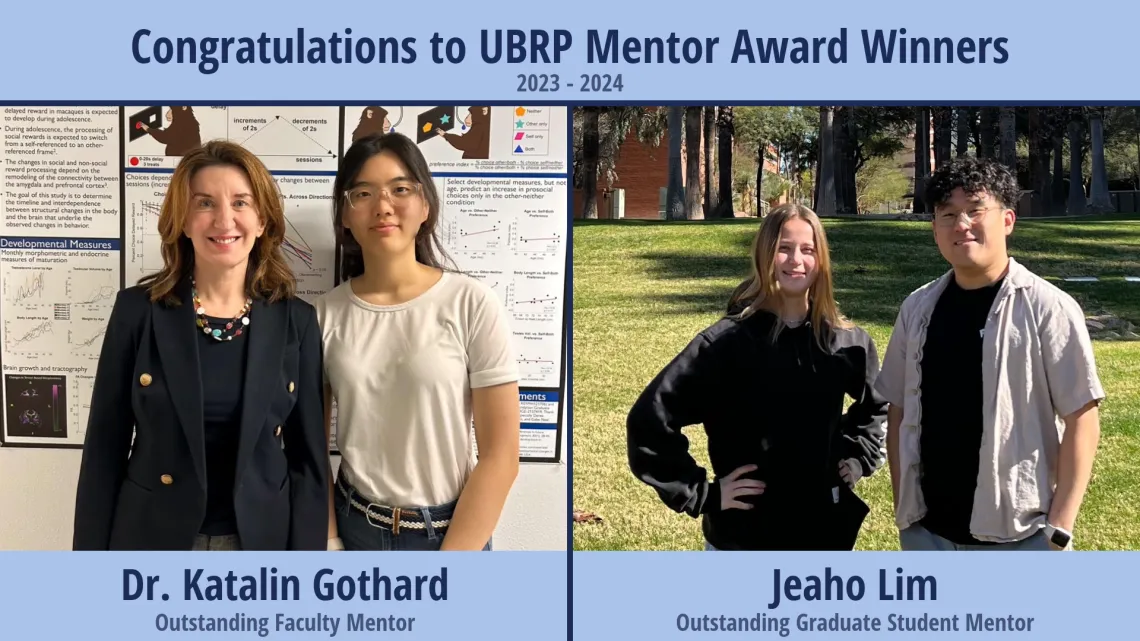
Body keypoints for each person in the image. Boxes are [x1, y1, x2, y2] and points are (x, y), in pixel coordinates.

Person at [72, 141, 329, 551]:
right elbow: (104, 450)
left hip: (261, 544)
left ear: (262, 221)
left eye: (241, 202)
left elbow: (309, 464)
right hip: (151, 539)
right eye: (204, 203)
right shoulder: (137, 312)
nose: (224, 219)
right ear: (183, 221)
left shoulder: (296, 320)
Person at [626, 204, 888, 551]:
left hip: (823, 535)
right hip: (742, 540)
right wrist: (700, 491)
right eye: (784, 248)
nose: (796, 260)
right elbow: (649, 421)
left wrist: (857, 458)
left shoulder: (845, 343)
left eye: (808, 250)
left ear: (821, 259)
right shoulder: (725, 344)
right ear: (765, 254)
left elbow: (880, 406)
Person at [876, 157, 1104, 552]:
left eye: (976, 210)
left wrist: (1060, 527)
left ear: (1008, 220)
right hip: (928, 535)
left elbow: (1082, 417)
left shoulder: (1048, 308)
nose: (961, 225)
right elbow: (897, 412)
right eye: (947, 214)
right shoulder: (916, 309)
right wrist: (903, 509)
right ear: (934, 229)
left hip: (1021, 538)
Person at [316, 132, 520, 551]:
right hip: (355, 527)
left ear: (425, 206)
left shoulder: (470, 303)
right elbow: (311, 450)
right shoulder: (323, 315)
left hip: (452, 529)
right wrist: (331, 540)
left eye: (400, 189)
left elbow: (501, 456)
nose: (383, 205)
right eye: (363, 193)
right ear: (345, 215)